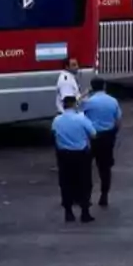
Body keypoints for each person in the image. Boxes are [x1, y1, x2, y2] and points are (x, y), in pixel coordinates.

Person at [52, 95, 97, 223]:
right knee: (84, 182)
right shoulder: (81, 119)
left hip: (64, 155)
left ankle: (68, 212)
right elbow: (93, 134)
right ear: (74, 105)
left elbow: (54, 134)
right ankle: (85, 212)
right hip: (81, 155)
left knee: (66, 183)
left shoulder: (57, 120)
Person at [81, 78, 122, 208]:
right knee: (105, 168)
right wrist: (114, 132)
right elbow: (118, 119)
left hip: (92, 137)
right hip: (108, 136)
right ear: (104, 86)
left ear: (92, 87)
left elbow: (79, 115)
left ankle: (86, 196)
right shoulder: (113, 101)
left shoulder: (88, 103)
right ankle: (104, 194)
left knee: (86, 167)